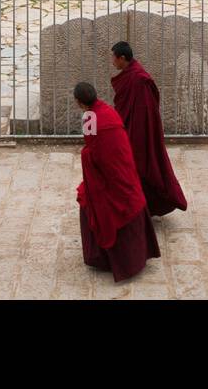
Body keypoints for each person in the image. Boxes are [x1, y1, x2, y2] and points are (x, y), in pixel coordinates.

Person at [74, 82, 160, 282]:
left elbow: (91, 149)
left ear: (79, 102)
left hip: (106, 172)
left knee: (89, 200)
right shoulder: (108, 110)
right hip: (123, 167)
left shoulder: (89, 117)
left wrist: (86, 157)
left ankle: (103, 259)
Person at [110, 41, 188, 217]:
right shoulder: (131, 75)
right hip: (129, 129)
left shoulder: (140, 80)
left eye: (113, 57)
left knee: (140, 168)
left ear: (122, 58)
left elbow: (146, 112)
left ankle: (140, 208)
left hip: (139, 134)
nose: (112, 61)